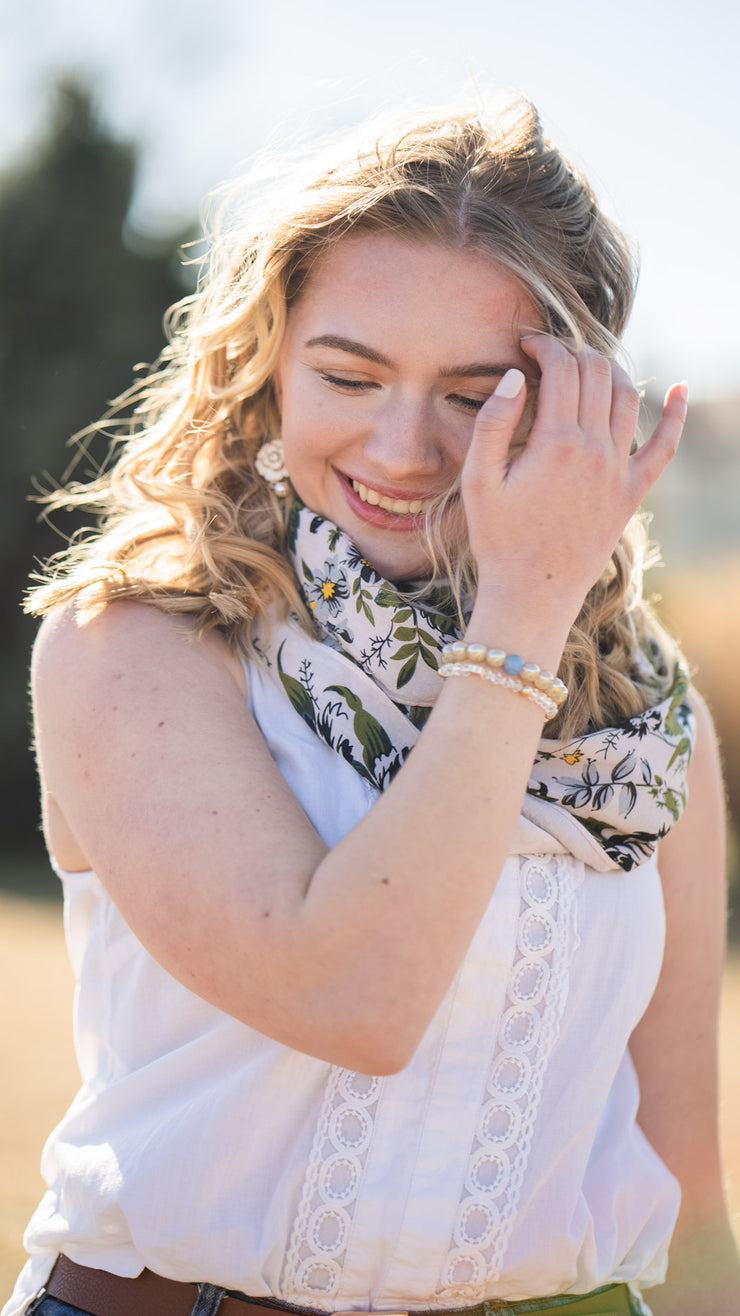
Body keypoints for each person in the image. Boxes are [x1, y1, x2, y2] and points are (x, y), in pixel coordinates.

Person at [4, 100, 738, 1316]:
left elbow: (683, 1166)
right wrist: (524, 609)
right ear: (268, 365)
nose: (402, 448)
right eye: (349, 374)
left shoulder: (643, 717)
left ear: (570, 399)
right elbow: (352, 997)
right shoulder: (134, 641)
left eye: (472, 394)